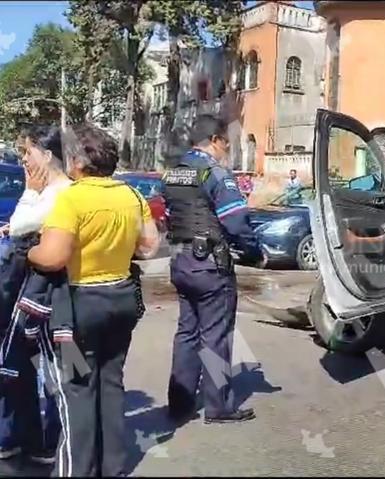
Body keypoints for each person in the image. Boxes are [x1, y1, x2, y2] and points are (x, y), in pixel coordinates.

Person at [27, 123, 160, 476]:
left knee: (77, 389)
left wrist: (30, 253)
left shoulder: (72, 198)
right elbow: (149, 247)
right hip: (121, 302)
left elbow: (53, 257)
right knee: (111, 381)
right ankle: (113, 466)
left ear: (78, 162)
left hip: (76, 312)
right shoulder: (132, 196)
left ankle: (77, 469)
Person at [164, 114, 261, 425]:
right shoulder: (215, 174)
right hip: (210, 266)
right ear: (216, 141)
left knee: (186, 333)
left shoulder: (173, 173)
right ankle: (218, 407)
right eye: (226, 145)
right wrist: (253, 252)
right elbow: (236, 222)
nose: (226, 151)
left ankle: (179, 404)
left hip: (180, 263)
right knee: (216, 336)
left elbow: (167, 216)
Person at [0, 125, 71, 465]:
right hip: (33, 294)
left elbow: (19, 226)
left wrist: (28, 191)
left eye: (28, 152)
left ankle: (56, 439)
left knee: (63, 368)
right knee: (21, 365)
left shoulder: (62, 193)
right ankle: (28, 438)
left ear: (46, 154)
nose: (23, 159)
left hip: (56, 298)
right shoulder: (51, 192)